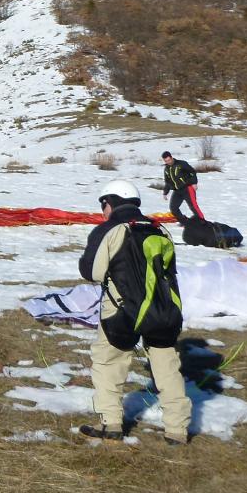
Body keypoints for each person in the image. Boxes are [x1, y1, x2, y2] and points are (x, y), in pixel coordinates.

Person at [78, 178, 191, 445]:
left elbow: (91, 272)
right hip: (164, 311)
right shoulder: (160, 230)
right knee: (167, 368)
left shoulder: (108, 230)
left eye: (103, 204)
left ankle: (111, 423)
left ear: (111, 202)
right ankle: (177, 430)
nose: (102, 210)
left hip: (122, 312)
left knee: (109, 363)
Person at [161, 150, 205, 223]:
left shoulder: (181, 164)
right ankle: (184, 222)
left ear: (171, 157)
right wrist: (165, 192)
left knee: (193, 207)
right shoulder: (166, 169)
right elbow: (167, 181)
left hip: (187, 188)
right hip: (177, 191)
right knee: (173, 208)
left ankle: (203, 223)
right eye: (166, 161)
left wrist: (194, 183)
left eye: (169, 160)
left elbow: (192, 172)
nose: (168, 162)